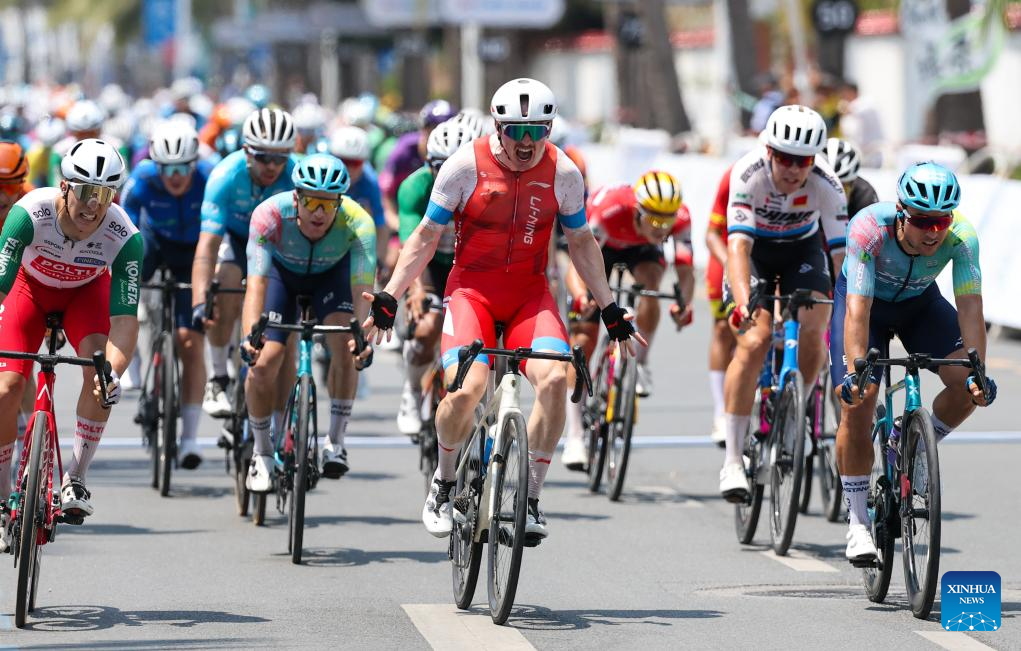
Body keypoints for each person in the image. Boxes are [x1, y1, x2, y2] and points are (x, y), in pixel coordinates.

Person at [362, 78, 645, 542]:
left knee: (554, 380)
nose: (527, 142)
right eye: (517, 131)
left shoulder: (564, 172)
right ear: (498, 127)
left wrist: (610, 309)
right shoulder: (463, 166)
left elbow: (581, 243)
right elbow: (426, 237)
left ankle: (529, 497)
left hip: (529, 296)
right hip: (471, 292)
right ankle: (443, 484)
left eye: (538, 131)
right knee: (468, 389)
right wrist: (392, 295)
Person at [831, 162, 995, 564]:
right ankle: (857, 523)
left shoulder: (962, 237)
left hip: (920, 306)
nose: (934, 232)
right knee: (859, 400)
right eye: (923, 221)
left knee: (969, 387)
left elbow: (970, 307)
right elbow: (858, 309)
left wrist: (978, 373)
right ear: (902, 213)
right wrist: (855, 373)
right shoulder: (870, 228)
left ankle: (916, 443)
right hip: (865, 306)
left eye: (942, 220)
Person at [0, 139, 141, 544]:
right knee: (8, 386)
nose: (94, 204)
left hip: (85, 294)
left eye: (105, 194)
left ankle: (75, 477)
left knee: (100, 372)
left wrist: (114, 372)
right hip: (29, 290)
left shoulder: (125, 236)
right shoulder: (29, 213)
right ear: (64, 187)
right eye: (86, 190)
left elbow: (125, 321)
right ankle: (2, 493)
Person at [719, 105, 847, 502]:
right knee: (754, 340)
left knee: (816, 325)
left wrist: (848, 310)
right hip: (754, 251)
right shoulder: (748, 173)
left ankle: (796, 413)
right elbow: (738, 248)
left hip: (800, 251)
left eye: (803, 161)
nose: (793, 169)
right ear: (769, 151)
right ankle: (733, 459)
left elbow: (841, 257)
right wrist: (743, 303)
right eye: (785, 158)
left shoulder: (828, 183)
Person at [240, 154, 375, 489]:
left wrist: (361, 339)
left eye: (328, 204)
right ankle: (261, 453)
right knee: (263, 362)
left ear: (340, 203)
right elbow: (255, 284)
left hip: (332, 278)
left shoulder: (359, 222)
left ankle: (336, 443)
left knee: (346, 347)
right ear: (296, 197)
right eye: (312, 202)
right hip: (281, 277)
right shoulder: (270, 214)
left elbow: (362, 289)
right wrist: (249, 336)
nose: (319, 212)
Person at [559, 171, 694, 468]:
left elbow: (686, 272)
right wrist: (581, 297)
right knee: (583, 338)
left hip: (641, 251)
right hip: (600, 247)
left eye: (668, 221)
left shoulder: (680, 218)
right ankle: (575, 435)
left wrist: (684, 305)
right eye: (655, 220)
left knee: (651, 285)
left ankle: (640, 364)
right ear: (637, 211)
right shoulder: (609, 210)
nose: (662, 228)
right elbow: (577, 261)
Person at [190, 108, 297, 419]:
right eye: (264, 157)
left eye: (281, 158)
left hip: (279, 245)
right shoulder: (225, 175)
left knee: (288, 339)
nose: (272, 166)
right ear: (247, 151)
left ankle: (280, 424)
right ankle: (218, 377)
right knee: (224, 285)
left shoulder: (296, 175)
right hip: (237, 239)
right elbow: (207, 246)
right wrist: (200, 301)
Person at [121, 121, 213, 469]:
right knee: (126, 280)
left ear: (194, 164)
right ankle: (134, 354)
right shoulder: (142, 179)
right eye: (167, 169)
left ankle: (189, 439)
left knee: (190, 342)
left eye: (182, 169)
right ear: (155, 165)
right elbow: (123, 228)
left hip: (194, 253)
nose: (175, 177)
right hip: (153, 243)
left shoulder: (209, 177)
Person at [394, 118, 482, 436]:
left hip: (468, 267)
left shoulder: (486, 187)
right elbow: (412, 245)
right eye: (440, 167)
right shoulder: (414, 187)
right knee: (428, 326)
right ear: (427, 163)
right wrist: (415, 289)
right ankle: (412, 391)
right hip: (430, 266)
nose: (451, 176)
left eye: (460, 168)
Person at [377, 100, 456, 283]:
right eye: (431, 130)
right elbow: (386, 194)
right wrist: (399, 223)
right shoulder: (403, 152)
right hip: (409, 217)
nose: (438, 137)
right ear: (422, 131)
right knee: (392, 263)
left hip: (449, 240)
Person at [705, 165, 736, 446]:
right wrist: (731, 266)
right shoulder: (735, 175)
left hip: (772, 254)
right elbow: (712, 233)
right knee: (724, 330)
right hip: (729, 251)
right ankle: (720, 412)